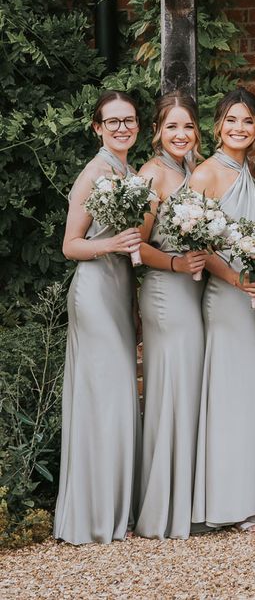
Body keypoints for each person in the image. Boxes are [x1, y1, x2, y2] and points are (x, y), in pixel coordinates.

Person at [190, 88, 255, 533]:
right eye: (232, 120)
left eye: (248, 121)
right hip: (227, 296)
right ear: (217, 125)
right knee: (232, 396)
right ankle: (231, 500)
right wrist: (233, 278)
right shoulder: (205, 174)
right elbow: (193, 244)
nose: (240, 129)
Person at [54, 91, 142, 544]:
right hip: (93, 292)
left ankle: (116, 509)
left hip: (118, 292)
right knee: (104, 400)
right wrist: (113, 244)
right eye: (113, 122)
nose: (122, 127)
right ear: (97, 128)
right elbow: (71, 245)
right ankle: (94, 516)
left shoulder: (127, 171)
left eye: (128, 120)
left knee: (116, 397)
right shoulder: (94, 174)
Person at [134, 93, 207, 539]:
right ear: (158, 132)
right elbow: (135, 247)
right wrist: (177, 264)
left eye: (187, 127)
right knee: (171, 387)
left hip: (192, 291)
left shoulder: (195, 171)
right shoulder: (151, 174)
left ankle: (188, 499)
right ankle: (165, 508)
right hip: (165, 290)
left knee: (188, 385)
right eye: (171, 128)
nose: (180, 135)